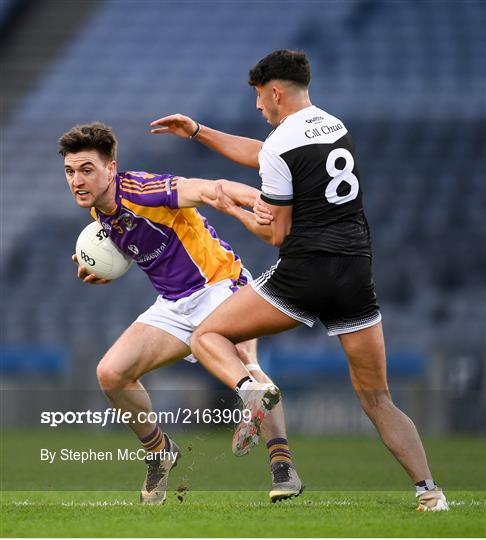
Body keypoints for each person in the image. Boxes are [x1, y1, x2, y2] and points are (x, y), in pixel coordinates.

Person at [150, 49, 449, 512]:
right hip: (355, 272)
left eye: (258, 98)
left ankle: (253, 393)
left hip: (305, 272)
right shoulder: (334, 126)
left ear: (274, 92)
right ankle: (429, 491)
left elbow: (276, 235)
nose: (256, 107)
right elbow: (265, 154)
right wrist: (199, 132)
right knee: (377, 397)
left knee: (207, 333)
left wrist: (237, 212)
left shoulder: (280, 145)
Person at [58, 122, 303, 504]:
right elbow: (134, 245)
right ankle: (160, 453)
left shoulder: (141, 188)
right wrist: (101, 268)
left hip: (221, 285)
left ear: (111, 168)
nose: (77, 180)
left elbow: (206, 188)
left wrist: (258, 201)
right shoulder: (99, 215)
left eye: (86, 169)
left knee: (245, 362)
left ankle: (282, 465)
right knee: (111, 374)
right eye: (70, 172)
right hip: (174, 303)